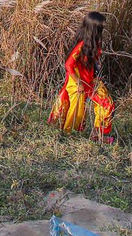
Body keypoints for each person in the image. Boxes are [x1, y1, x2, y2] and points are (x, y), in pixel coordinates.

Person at [48, 11, 115, 144]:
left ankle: (98, 134)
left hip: (90, 80)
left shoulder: (95, 42)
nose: (103, 29)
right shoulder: (82, 44)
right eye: (101, 27)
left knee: (107, 104)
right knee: (75, 113)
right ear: (94, 28)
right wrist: (78, 82)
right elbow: (68, 65)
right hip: (77, 82)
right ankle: (69, 136)